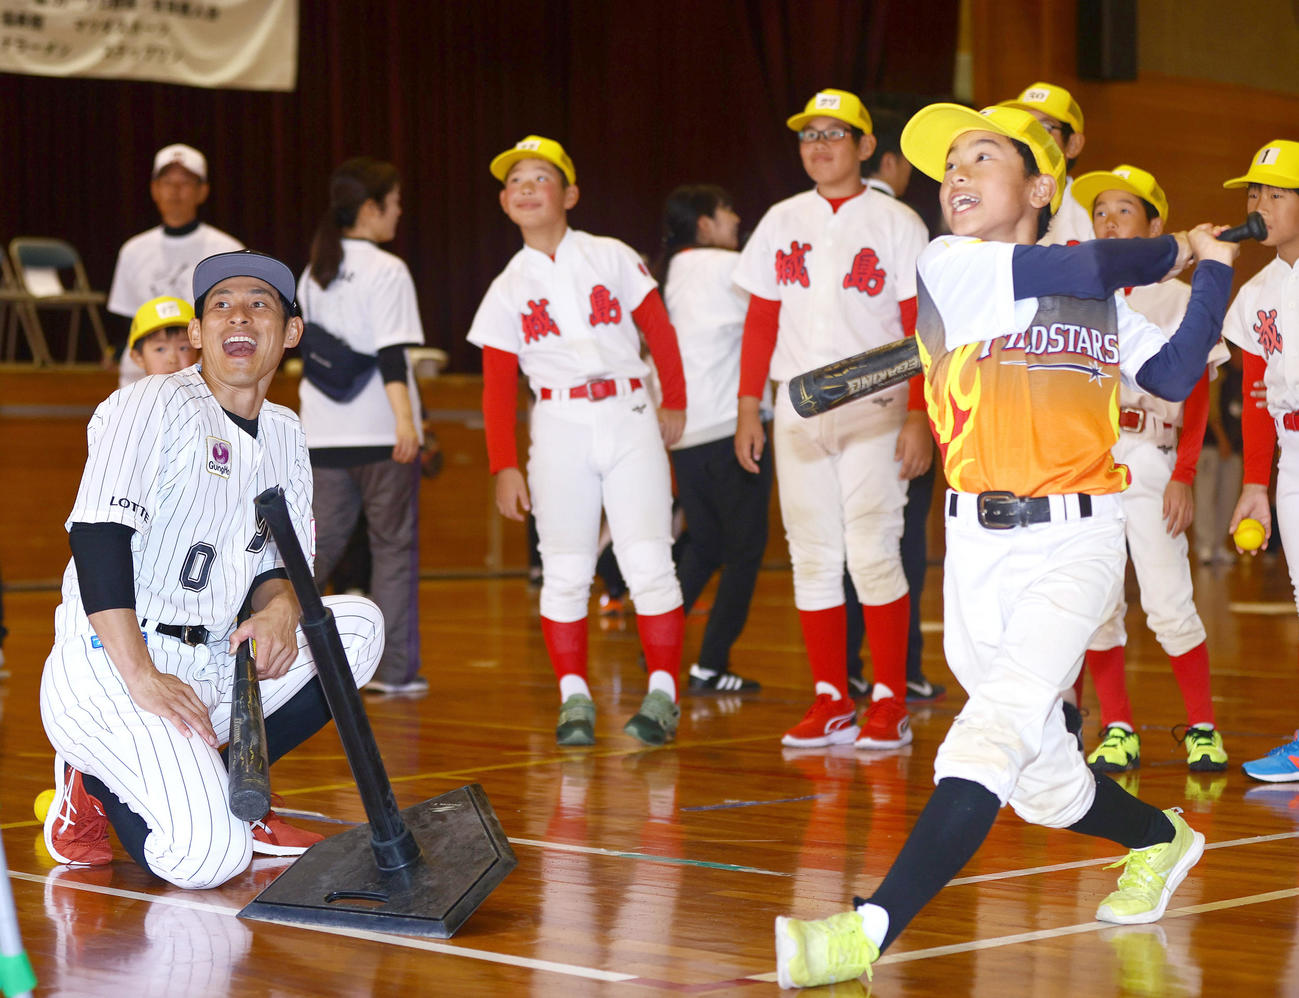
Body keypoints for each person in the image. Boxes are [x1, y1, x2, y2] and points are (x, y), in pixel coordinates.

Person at [773, 102, 1237, 989]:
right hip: (975, 552)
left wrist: (1211, 273)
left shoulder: (1094, 299)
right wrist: (1178, 248)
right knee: (1043, 785)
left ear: (1036, 187)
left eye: (980, 158)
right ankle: (1163, 839)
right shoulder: (952, 264)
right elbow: (1105, 257)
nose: (955, 174)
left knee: (983, 740)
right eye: (949, 162)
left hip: (1077, 542)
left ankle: (863, 933)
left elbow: (1176, 371)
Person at [39, 250, 385, 887]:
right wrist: (140, 674)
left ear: (291, 332)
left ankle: (215, 781)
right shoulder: (151, 405)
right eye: (221, 304)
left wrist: (280, 607)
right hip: (112, 661)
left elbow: (274, 566)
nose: (240, 317)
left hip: (210, 661)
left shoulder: (285, 432)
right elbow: (98, 538)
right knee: (210, 858)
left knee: (356, 628)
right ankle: (92, 780)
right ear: (198, 333)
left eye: (261, 304)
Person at [468, 135, 689, 747]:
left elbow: (658, 330)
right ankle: (574, 697)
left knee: (648, 559)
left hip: (628, 410)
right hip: (559, 423)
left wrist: (675, 399)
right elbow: (496, 388)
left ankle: (665, 691)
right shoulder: (508, 286)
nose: (526, 188)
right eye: (515, 182)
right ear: (505, 202)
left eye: (540, 178)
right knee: (565, 570)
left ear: (569, 193)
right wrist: (503, 466)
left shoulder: (611, 255)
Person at [733, 89, 930, 750]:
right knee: (811, 553)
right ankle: (829, 698)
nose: (818, 146)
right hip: (794, 400)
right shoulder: (779, 217)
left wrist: (919, 418)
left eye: (834, 134)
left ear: (865, 146)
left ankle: (889, 700)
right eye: (807, 134)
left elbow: (918, 328)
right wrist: (746, 409)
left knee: (872, 547)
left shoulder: (898, 222)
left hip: (875, 400)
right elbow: (760, 320)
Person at [1065, 164, 1228, 774]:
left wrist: (1185, 471)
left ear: (1156, 226)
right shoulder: (1082, 292)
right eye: (1099, 211)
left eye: (1124, 211)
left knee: (1167, 601)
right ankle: (1118, 727)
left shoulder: (1180, 295)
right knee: (1099, 602)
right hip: (1088, 459)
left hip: (1150, 453)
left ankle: (1203, 726)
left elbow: (1200, 389)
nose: (1108, 221)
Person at [299, 157, 426, 696]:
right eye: (394, 203)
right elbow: (393, 356)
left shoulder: (313, 271)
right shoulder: (388, 269)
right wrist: (408, 422)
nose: (398, 213)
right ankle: (393, 672)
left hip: (322, 434)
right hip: (380, 433)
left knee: (314, 552)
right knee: (393, 549)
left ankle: (263, 650)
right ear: (372, 208)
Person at [847, 106, 945, 704]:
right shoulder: (904, 221)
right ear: (885, 158)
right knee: (900, 540)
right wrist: (921, 413)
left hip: (831, 408)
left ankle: (846, 674)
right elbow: (926, 328)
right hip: (898, 398)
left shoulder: (809, 218)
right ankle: (900, 668)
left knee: (843, 545)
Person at [659, 183, 770, 693]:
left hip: (686, 436)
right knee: (745, 551)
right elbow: (778, 310)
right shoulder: (727, 269)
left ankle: (657, 643)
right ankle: (711, 664)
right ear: (704, 224)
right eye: (727, 210)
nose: (737, 216)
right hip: (731, 428)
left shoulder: (675, 273)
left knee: (704, 544)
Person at [1220, 139, 1299, 781]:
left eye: (1276, 193)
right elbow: (1254, 392)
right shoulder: (1257, 291)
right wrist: (1255, 484)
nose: (1260, 204)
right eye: (1255, 192)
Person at [107, 144, 242, 387]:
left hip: (207, 379)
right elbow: (127, 318)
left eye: (185, 183)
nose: (175, 191)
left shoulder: (227, 250)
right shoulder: (133, 250)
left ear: (202, 191)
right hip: (140, 379)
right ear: (154, 190)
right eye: (167, 182)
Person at [998, 82, 1092, 246]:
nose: (1029, 138)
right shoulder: (992, 205)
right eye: (1023, 127)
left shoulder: (1093, 213)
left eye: (1043, 127)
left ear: (1073, 144)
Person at [1194, 344, 1244, 564]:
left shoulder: (1243, 377)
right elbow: (1210, 409)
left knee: (1228, 497)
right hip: (1211, 446)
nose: (1244, 359)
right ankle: (1204, 545)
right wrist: (1222, 438)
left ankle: (1218, 545)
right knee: (1206, 496)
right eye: (1241, 354)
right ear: (1232, 352)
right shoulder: (1218, 374)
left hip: (1234, 449)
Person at [127, 296, 197, 377]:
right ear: (138, 358)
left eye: (183, 348)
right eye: (160, 349)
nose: (173, 359)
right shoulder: (135, 390)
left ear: (198, 352)